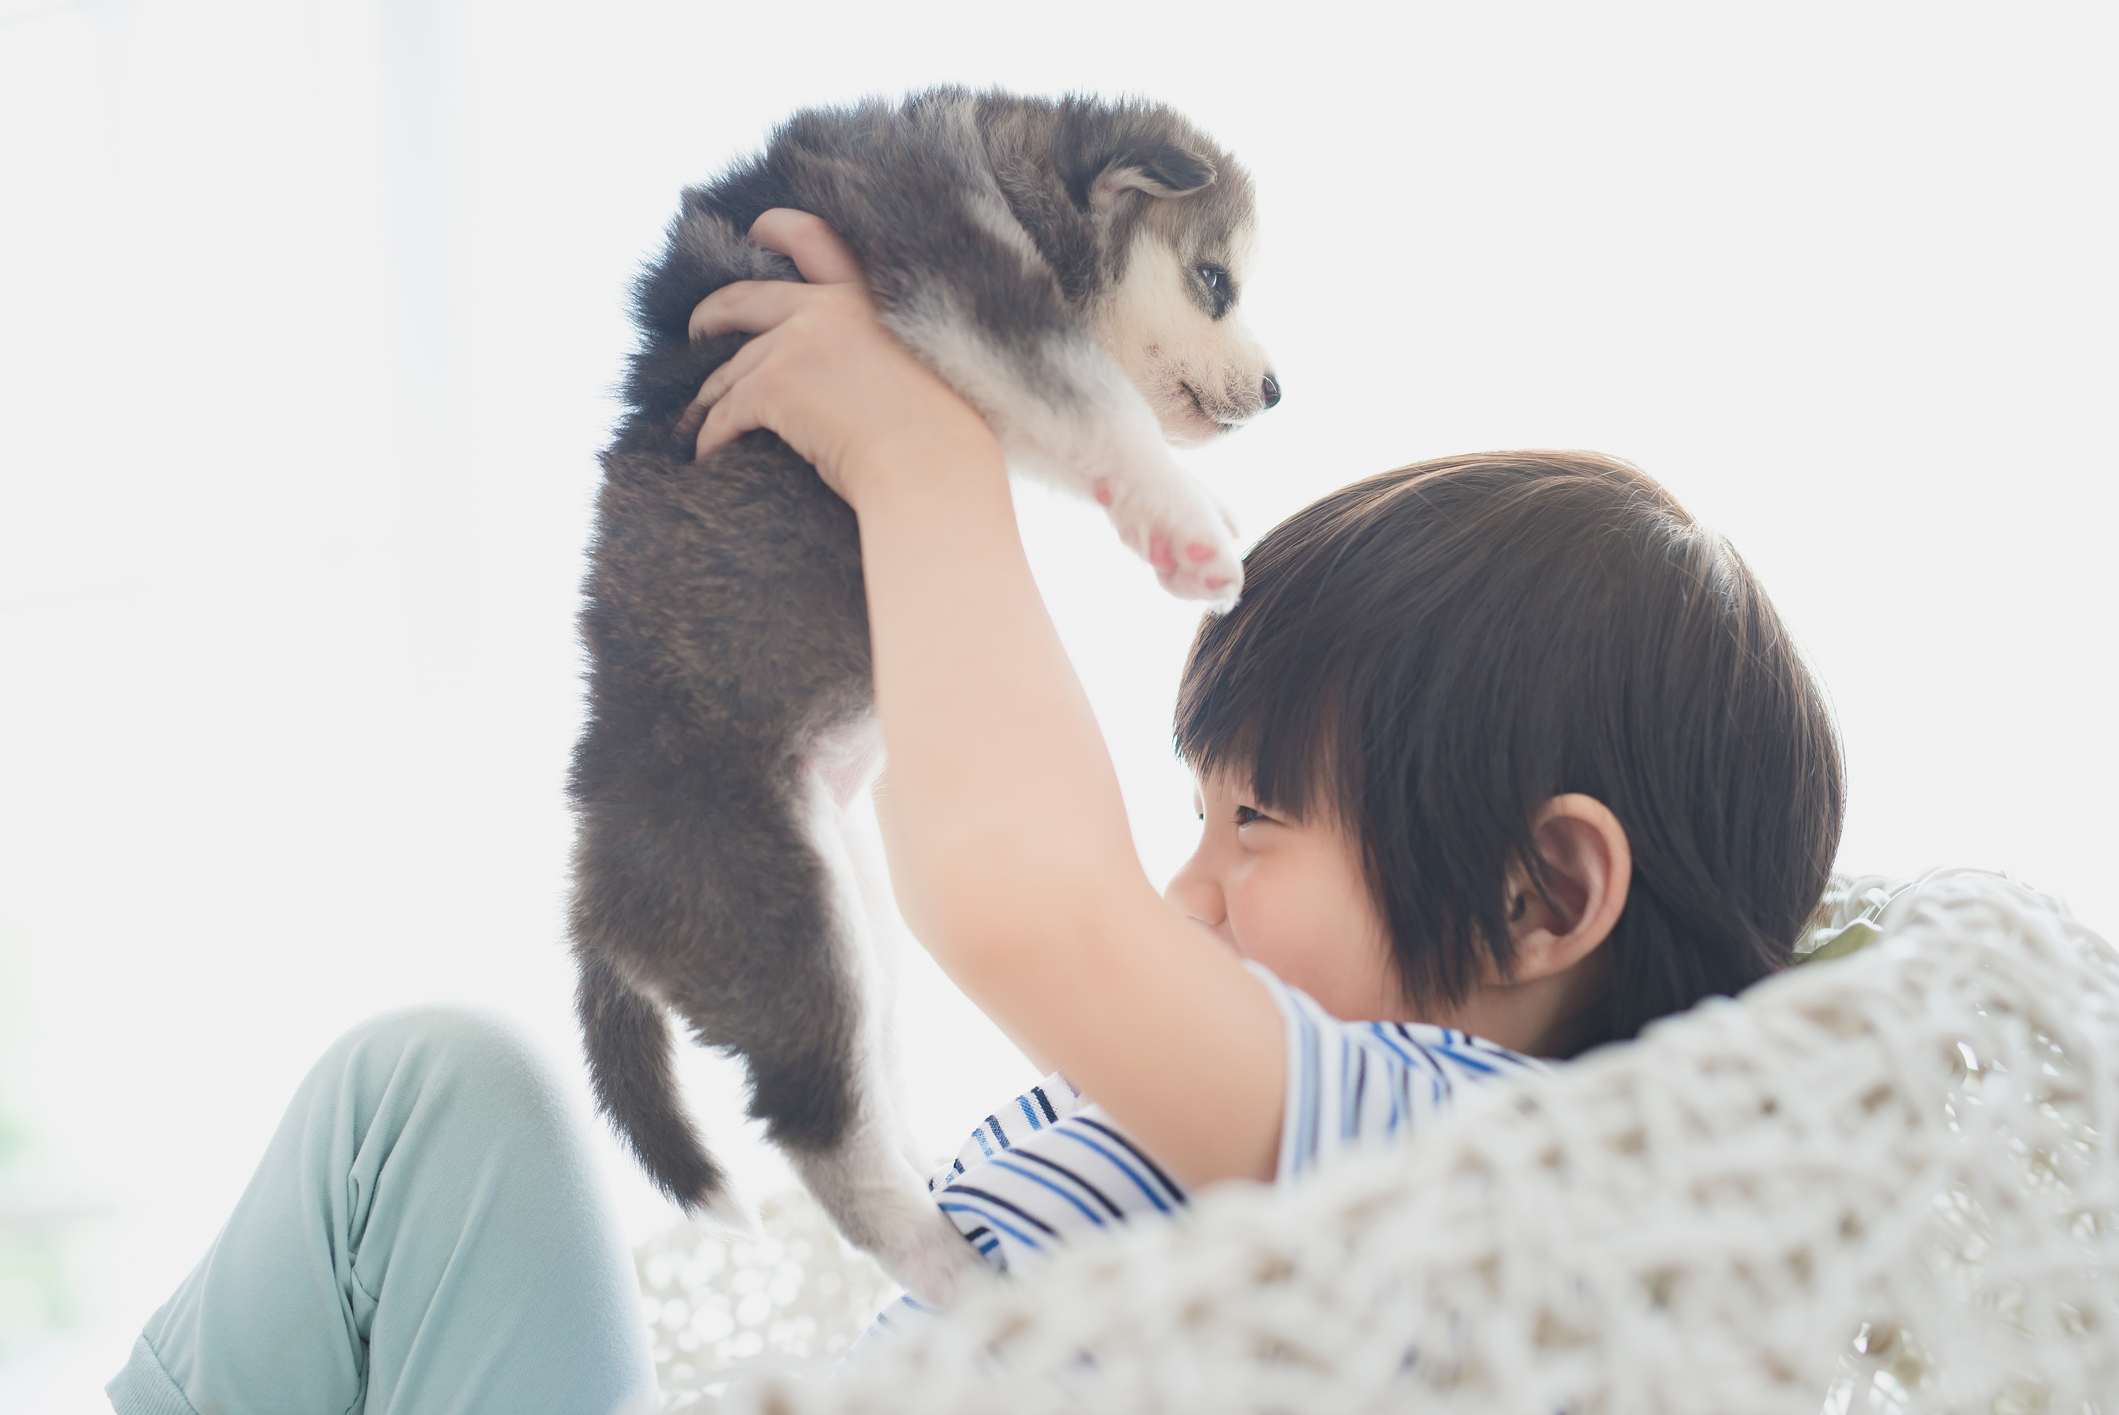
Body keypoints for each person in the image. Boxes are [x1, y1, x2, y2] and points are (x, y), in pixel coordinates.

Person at [106, 210, 1842, 1414]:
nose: (1186, 895)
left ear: (1544, 894)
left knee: (419, 1104)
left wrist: (920, 462)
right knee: (431, 1105)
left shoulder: (1478, 1165)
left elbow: (1027, 902)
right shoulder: (1281, 1149)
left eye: (1256, 824)